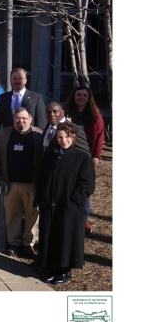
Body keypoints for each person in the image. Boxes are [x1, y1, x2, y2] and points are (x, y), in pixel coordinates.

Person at [34, 123, 95, 285]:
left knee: (65, 238)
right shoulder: (50, 156)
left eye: (67, 137)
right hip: (49, 206)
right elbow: (41, 178)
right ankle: (49, 266)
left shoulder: (82, 157)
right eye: (60, 137)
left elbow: (87, 184)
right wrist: (41, 198)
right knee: (49, 237)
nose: (63, 140)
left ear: (73, 137)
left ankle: (64, 270)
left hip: (69, 208)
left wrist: (73, 201)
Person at [0, 107, 44, 257]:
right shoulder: (3, 134)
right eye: (17, 118)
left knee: (32, 215)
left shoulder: (39, 135)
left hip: (32, 184)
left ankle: (28, 244)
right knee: (12, 215)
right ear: (13, 119)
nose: (20, 121)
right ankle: (13, 243)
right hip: (11, 183)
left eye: (23, 118)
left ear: (30, 119)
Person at [63, 85, 105, 233]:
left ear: (89, 98)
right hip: (68, 154)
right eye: (78, 95)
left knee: (84, 186)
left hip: (86, 156)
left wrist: (96, 156)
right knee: (68, 184)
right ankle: (68, 214)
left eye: (84, 95)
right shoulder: (66, 112)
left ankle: (84, 218)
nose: (81, 98)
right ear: (74, 96)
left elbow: (100, 136)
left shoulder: (95, 114)